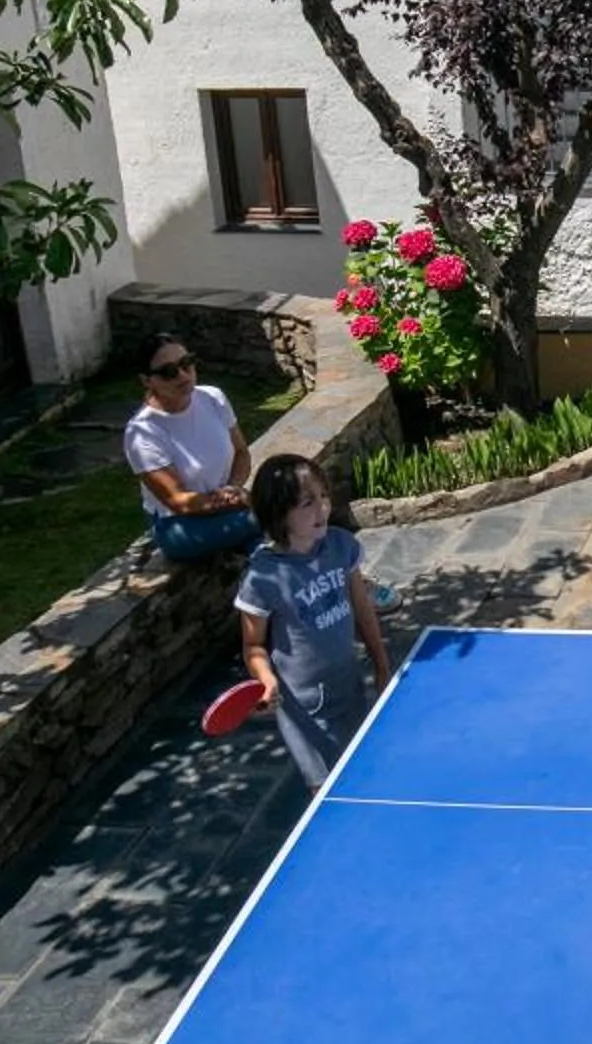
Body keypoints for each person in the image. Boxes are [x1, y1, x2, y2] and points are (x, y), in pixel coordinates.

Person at [234, 453, 395, 788]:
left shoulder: (340, 546)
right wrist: (265, 681)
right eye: (307, 502)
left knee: (359, 771)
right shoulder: (263, 577)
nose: (322, 508)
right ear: (279, 513)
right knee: (324, 789)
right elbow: (253, 646)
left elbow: (362, 609)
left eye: (323, 496)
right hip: (304, 707)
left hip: (348, 685)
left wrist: (380, 664)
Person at [123, 331, 259, 562]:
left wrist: (233, 489)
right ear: (147, 381)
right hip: (180, 525)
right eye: (168, 372)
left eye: (187, 363)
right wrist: (239, 502)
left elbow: (241, 453)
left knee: (267, 549)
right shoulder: (142, 433)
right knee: (275, 516)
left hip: (228, 507)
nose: (183, 375)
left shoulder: (213, 398)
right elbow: (179, 501)